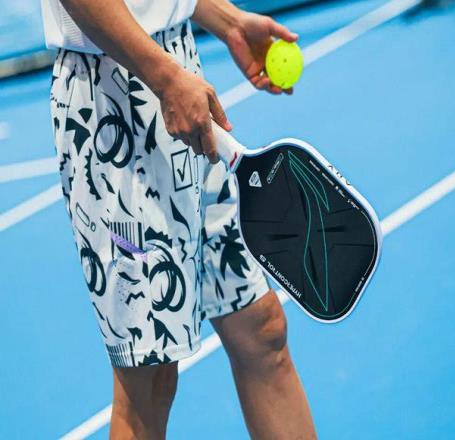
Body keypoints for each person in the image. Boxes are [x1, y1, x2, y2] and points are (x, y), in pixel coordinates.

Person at [41, 0, 316, 438]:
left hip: (178, 71)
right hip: (113, 98)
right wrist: (166, 78)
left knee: (262, 331)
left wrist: (227, 21)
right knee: (148, 381)